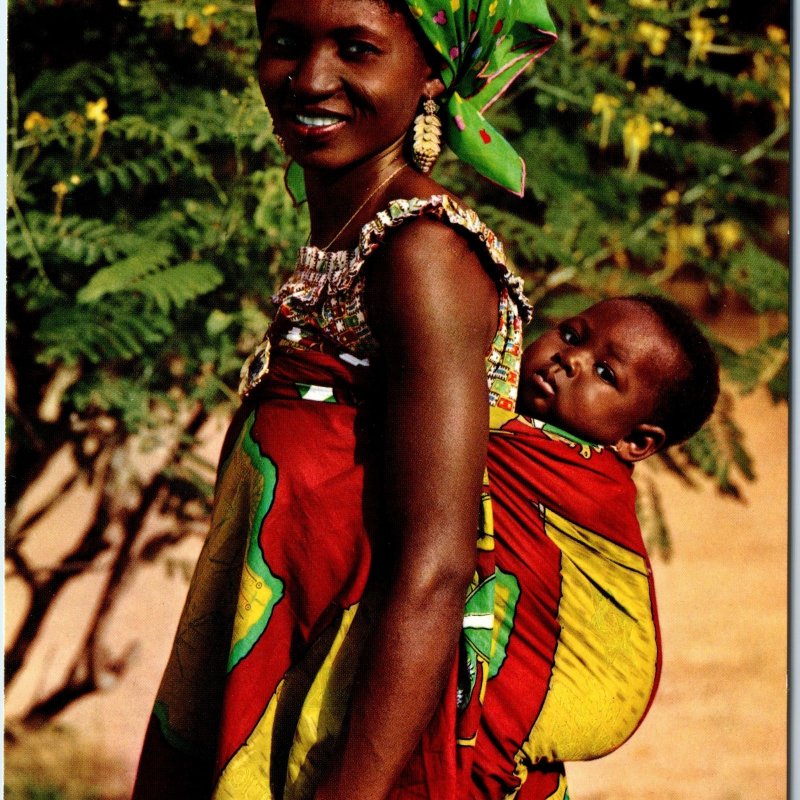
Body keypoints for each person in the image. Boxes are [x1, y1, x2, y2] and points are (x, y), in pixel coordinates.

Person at [132, 2, 557, 799]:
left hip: (357, 752)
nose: (311, 78)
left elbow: (435, 567)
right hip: (293, 707)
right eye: (285, 44)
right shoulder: (352, 237)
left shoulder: (422, 255)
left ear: (433, 70)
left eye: (357, 49)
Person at [469, 295, 720, 798]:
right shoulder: (481, 401)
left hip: (499, 718)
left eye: (605, 372)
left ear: (637, 443)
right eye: (572, 334)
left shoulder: (588, 497)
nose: (571, 359)